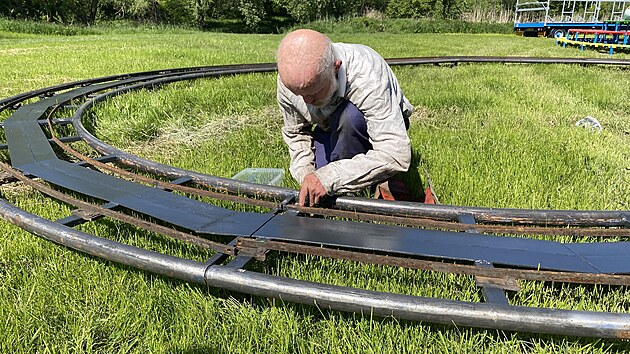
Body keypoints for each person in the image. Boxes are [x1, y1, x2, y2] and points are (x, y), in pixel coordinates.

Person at [277, 29, 413, 207]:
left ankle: (367, 180)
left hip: (370, 127)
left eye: (314, 92)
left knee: (351, 117)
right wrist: (306, 174)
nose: (306, 101)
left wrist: (330, 178)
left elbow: (395, 154)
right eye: (297, 93)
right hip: (328, 126)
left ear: (336, 67)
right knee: (319, 184)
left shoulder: (367, 73)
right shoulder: (290, 80)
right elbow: (296, 133)